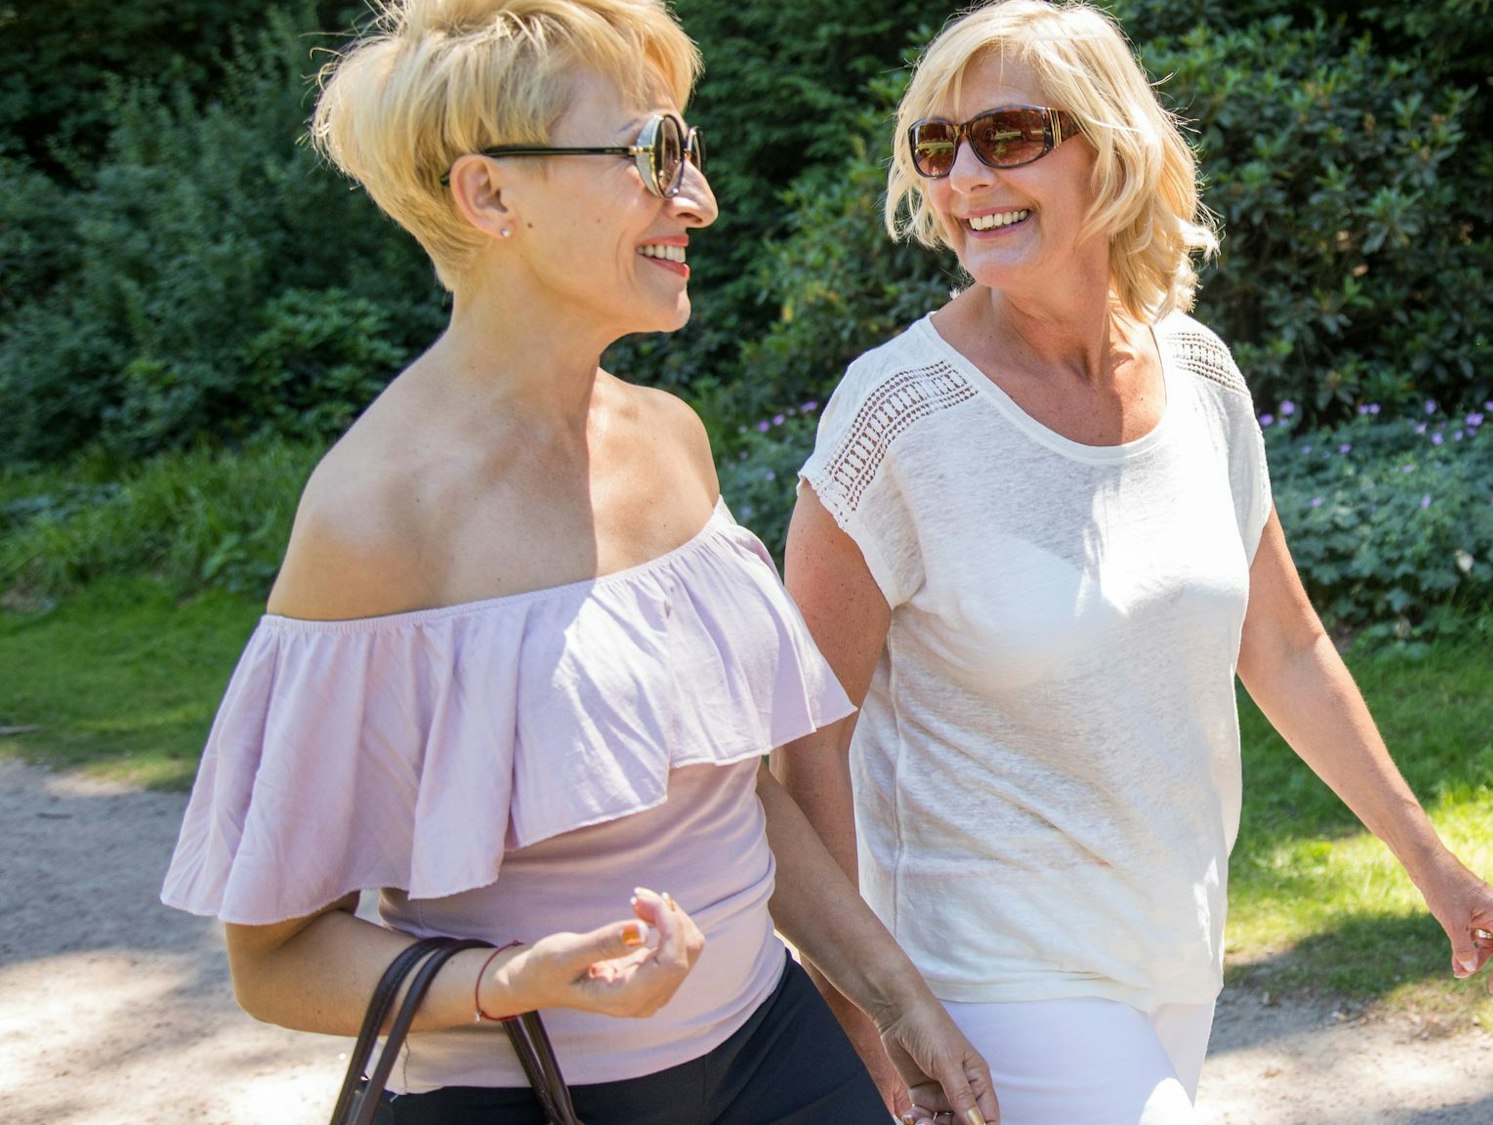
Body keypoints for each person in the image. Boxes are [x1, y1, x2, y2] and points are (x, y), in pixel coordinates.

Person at [158, 2, 998, 1122]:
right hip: (533, 1098)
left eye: (687, 153)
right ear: (490, 194)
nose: (695, 198)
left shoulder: (670, 439)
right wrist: (507, 983)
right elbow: (272, 962)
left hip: (774, 1052)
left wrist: (895, 999)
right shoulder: (376, 522)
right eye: (653, 154)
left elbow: (734, 800)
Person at [773, 2, 1493, 1122]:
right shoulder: (895, 416)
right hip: (982, 969)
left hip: (1171, 944)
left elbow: (1279, 642)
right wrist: (866, 1006)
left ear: (1110, 148)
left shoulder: (1197, 374)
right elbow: (805, 736)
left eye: (1008, 135)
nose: (964, 173)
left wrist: (1429, 860)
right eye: (937, 146)